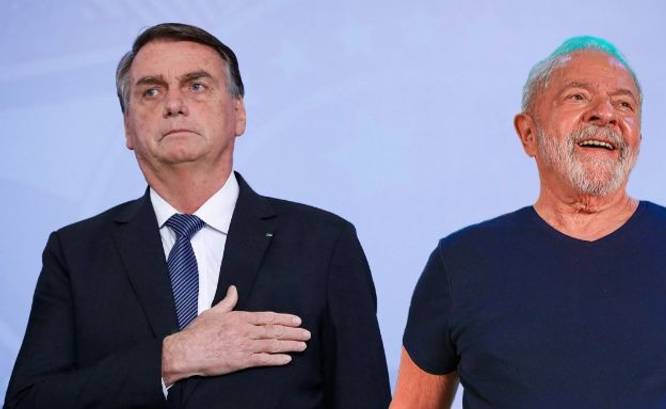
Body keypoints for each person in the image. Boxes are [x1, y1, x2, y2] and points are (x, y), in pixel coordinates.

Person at [5, 23, 390, 409]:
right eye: (151, 91)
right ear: (128, 128)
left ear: (238, 113)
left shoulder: (324, 244)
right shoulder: (75, 253)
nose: (174, 104)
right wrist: (172, 358)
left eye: (196, 85)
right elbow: (27, 403)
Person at [391, 36, 666, 408]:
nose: (606, 114)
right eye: (577, 96)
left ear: (638, 139)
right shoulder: (461, 263)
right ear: (528, 133)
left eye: (624, 104)